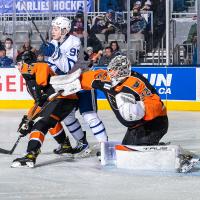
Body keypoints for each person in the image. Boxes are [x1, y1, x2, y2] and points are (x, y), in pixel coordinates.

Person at [11, 16, 84, 168]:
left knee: (42, 122)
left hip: (67, 89)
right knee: (52, 120)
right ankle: (67, 145)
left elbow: (65, 68)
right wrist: (28, 118)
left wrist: (55, 52)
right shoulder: (36, 71)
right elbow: (40, 100)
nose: (53, 31)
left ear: (64, 30)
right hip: (61, 92)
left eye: (56, 29)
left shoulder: (73, 42)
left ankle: (31, 154)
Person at [80, 55, 168, 146]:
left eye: (115, 69)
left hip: (154, 123)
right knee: (126, 149)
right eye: (111, 69)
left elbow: (156, 104)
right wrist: (70, 83)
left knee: (135, 154)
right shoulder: (105, 78)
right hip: (135, 127)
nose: (111, 73)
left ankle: (160, 152)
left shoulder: (136, 83)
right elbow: (87, 78)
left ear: (124, 70)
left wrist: (141, 109)